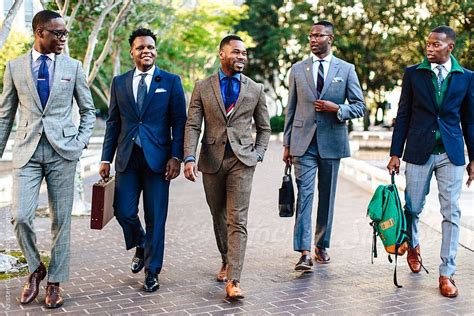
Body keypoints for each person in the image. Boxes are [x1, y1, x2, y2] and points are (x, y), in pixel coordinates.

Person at [0, 10, 95, 308]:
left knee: (61, 220)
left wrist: (79, 143)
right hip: (27, 150)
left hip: (62, 151)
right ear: (39, 32)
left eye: (65, 33)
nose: (63, 38)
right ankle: (35, 268)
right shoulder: (15, 67)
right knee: (20, 216)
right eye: (57, 33)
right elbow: (5, 115)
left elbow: (89, 110)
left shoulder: (73, 67)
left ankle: (54, 281)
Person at [387, 25, 473, 298]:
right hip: (418, 150)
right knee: (412, 208)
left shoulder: (466, 77)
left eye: (436, 44)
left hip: (451, 153)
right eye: (428, 44)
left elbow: (470, 120)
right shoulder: (414, 74)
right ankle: (413, 245)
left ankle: (446, 272)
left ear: (450, 47)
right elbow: (403, 115)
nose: (430, 48)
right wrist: (394, 153)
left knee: (451, 212)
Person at [99, 28, 186, 292]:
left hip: (159, 160)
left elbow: (179, 122)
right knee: (123, 211)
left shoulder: (170, 81)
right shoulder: (120, 82)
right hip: (127, 157)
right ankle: (141, 243)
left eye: (150, 47)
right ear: (132, 52)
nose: (146, 51)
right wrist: (105, 158)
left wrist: (176, 156)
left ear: (155, 51)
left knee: (156, 216)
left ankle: (152, 271)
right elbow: (114, 122)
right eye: (140, 47)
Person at [183, 35, 271, 299]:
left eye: (244, 53)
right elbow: (193, 125)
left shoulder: (255, 88)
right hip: (212, 160)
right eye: (236, 52)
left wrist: (258, 154)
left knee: (237, 219)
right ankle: (225, 257)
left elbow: (264, 128)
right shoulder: (203, 87)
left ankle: (234, 279)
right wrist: (189, 157)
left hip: (242, 161)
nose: (241, 56)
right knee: (218, 215)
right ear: (221, 54)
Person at [283, 21, 365, 271]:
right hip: (303, 143)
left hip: (332, 142)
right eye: (311, 35)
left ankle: (321, 244)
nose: (313, 39)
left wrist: (337, 108)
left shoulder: (347, 69)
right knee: (305, 196)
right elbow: (291, 108)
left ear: (331, 39)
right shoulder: (298, 69)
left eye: (319, 35)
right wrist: (287, 144)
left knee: (327, 197)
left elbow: (359, 106)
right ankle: (304, 252)